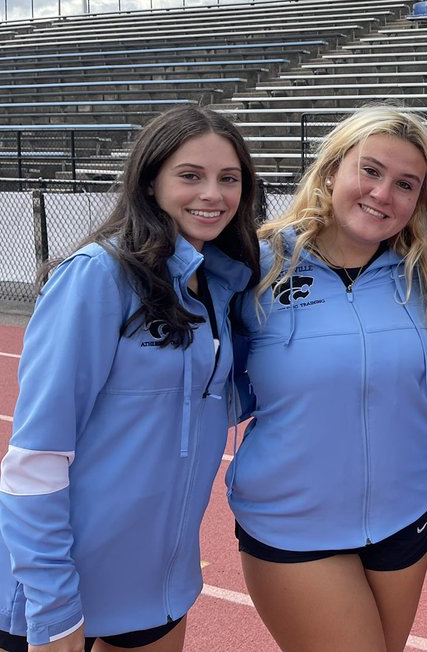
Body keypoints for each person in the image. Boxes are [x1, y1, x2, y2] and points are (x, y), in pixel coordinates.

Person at [0, 106, 260, 652]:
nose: (212, 193)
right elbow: (36, 458)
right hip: (64, 593)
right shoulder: (99, 275)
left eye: (228, 179)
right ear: (150, 181)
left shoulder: (217, 286)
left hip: (161, 586)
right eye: (190, 176)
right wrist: (53, 608)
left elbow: (216, 406)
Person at [228, 106, 427, 652]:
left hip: (404, 519)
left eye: (405, 184)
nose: (383, 194)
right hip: (292, 524)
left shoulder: (425, 275)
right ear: (333, 169)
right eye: (370, 171)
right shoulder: (258, 265)